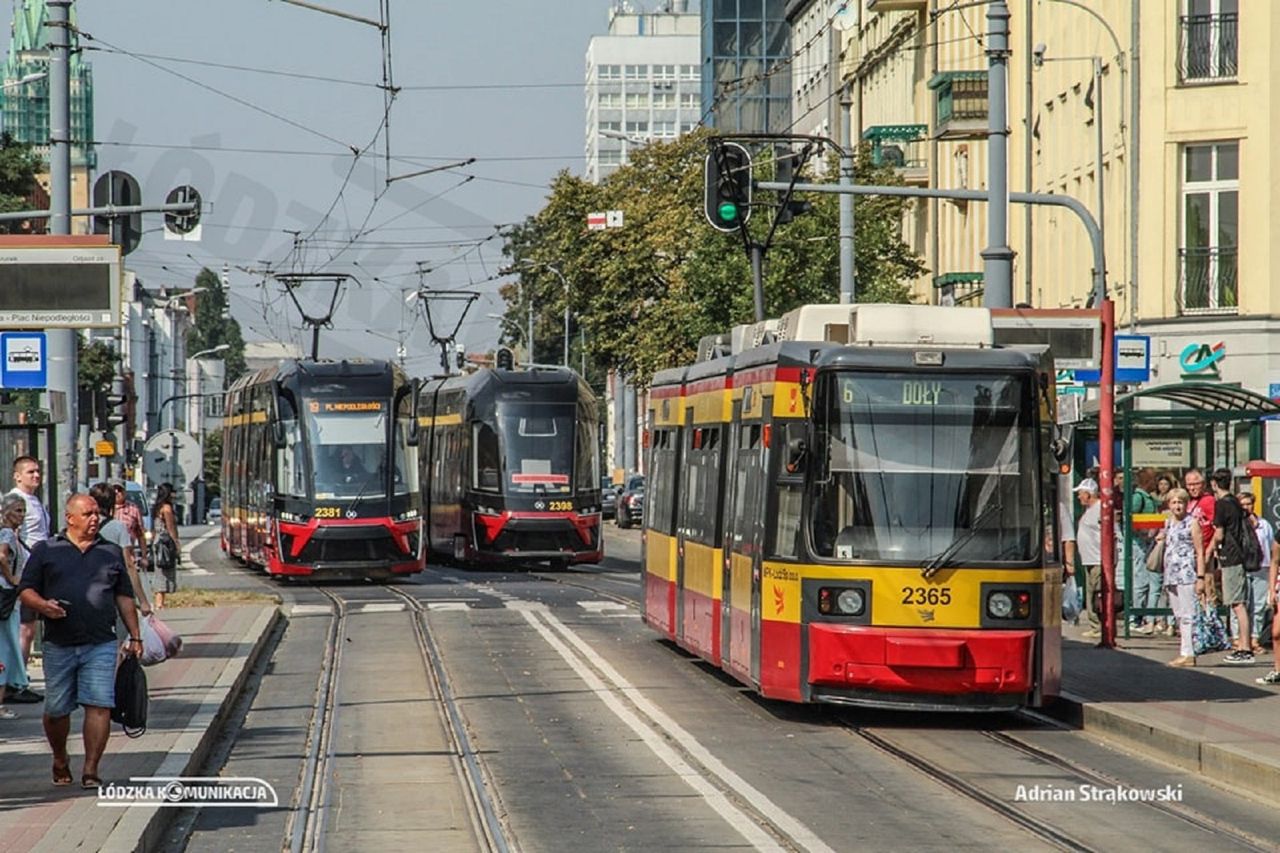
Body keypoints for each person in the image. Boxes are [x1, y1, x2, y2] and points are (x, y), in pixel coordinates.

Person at [17, 494, 142, 789]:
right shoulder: (46, 550)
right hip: (59, 643)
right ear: (70, 518)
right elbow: (26, 590)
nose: (95, 518)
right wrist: (44, 606)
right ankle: (60, 758)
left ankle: (91, 769)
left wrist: (135, 635)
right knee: (57, 709)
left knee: (99, 704)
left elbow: (124, 596)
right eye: (87, 514)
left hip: (100, 641)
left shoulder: (109, 552)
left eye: (97, 513)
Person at [6, 455, 47, 703]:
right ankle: (16, 682)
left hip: (36, 568)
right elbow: (13, 536)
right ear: (17, 475)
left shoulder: (34, 501)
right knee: (24, 628)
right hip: (25, 571)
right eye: (30, 472)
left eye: (38, 471)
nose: (36, 475)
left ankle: (19, 678)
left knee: (29, 629)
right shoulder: (16, 500)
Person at [90, 483, 153, 626]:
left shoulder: (81, 525)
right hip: (112, 588)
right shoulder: (118, 528)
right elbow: (129, 565)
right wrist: (143, 600)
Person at [1209, 468, 1253, 665]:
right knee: (1238, 603)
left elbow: (1219, 533)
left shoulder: (1221, 504)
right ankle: (1244, 646)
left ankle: (1245, 648)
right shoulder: (1235, 502)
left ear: (1214, 484)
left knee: (1237, 604)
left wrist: (1214, 549)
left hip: (1231, 557)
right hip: (1239, 556)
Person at [1156, 488, 1205, 666]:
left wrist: (1200, 577)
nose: (1177, 506)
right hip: (1171, 574)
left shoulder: (1192, 523)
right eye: (1174, 502)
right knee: (1178, 614)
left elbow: (1200, 551)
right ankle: (1184, 651)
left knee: (1188, 614)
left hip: (1187, 573)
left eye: (1181, 502)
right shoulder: (1169, 523)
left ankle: (1189, 652)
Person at [0, 495, 30, 718]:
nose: (22, 516)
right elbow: (1, 556)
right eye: (18, 510)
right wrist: (12, 579)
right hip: (7, 598)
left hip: (9, 598)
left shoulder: (12, 534)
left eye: (23, 511)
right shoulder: (7, 533)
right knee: (6, 648)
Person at [1236, 491, 1275, 656]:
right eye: (1243, 504)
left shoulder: (1264, 524)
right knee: (1240, 603)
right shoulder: (1237, 524)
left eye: (1249, 504)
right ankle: (1238, 638)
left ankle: (1254, 638)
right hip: (1243, 567)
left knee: (1258, 606)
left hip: (1262, 567)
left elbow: (1272, 546)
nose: (1246, 507)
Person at [1074, 478, 1106, 639]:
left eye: (1080, 493)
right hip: (1088, 558)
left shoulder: (1100, 508)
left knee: (1096, 593)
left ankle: (1099, 626)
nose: (1078, 497)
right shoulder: (1089, 510)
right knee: (1090, 592)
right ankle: (1095, 625)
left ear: (1088, 494)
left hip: (1097, 558)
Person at [151, 483, 181, 607]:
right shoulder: (167, 508)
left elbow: (153, 528)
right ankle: (159, 603)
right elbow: (171, 527)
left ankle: (160, 601)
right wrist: (176, 543)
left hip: (158, 540)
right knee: (164, 569)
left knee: (160, 568)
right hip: (166, 541)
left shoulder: (157, 507)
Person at [111, 484, 146, 572]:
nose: (117, 493)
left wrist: (144, 556)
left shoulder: (133, 509)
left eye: (119, 490)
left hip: (128, 556)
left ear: (124, 492)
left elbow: (141, 534)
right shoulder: (105, 508)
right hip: (109, 556)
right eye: (114, 490)